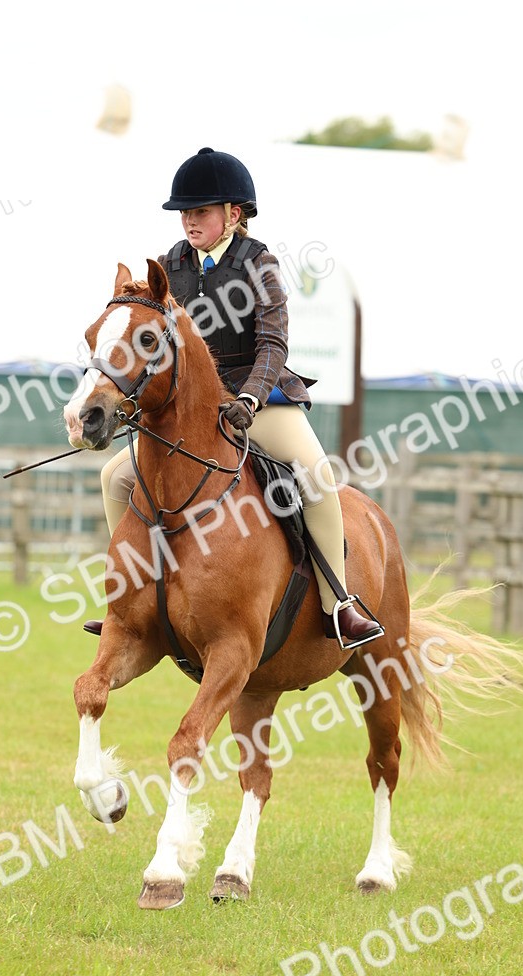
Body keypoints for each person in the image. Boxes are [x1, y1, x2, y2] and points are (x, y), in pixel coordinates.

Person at [88, 146, 383, 651]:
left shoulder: (259, 264)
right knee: (113, 476)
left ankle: (340, 605)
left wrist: (248, 399)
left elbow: (273, 344)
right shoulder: (170, 264)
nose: (189, 220)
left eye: (199, 211)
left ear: (233, 214)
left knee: (317, 475)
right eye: (185, 212)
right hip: (192, 412)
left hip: (258, 402)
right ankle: (131, 596)